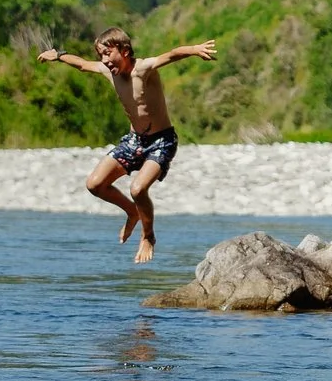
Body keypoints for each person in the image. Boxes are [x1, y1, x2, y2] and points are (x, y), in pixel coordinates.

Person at [37, 28, 217, 264]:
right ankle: (132, 212)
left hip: (161, 141)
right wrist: (58, 54)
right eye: (101, 55)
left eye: (107, 53)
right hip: (134, 141)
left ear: (124, 50)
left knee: (138, 189)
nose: (104, 60)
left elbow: (171, 55)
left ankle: (148, 236)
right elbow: (81, 64)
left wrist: (194, 50)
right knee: (95, 184)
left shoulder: (142, 69)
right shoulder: (107, 71)